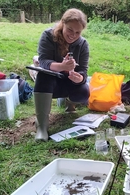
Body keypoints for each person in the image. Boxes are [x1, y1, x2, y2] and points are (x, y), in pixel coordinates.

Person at [34, 8, 90, 141]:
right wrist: (62, 66)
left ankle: (69, 104)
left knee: (84, 92)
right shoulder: (48, 35)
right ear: (62, 23)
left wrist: (79, 78)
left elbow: (83, 71)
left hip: (68, 81)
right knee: (43, 77)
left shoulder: (83, 44)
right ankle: (42, 126)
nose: (73, 35)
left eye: (78, 32)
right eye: (70, 30)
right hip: (49, 81)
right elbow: (43, 61)